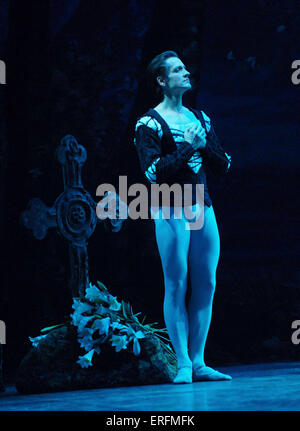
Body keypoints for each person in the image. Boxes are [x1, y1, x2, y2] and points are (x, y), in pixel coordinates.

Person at [134, 51, 232, 384]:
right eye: (178, 70)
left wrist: (203, 145)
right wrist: (189, 147)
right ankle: (183, 363)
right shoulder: (148, 123)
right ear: (162, 80)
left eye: (185, 67)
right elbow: (154, 173)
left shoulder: (200, 118)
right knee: (177, 282)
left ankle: (199, 359)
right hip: (170, 206)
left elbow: (222, 166)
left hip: (201, 205)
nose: (186, 72)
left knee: (207, 281)